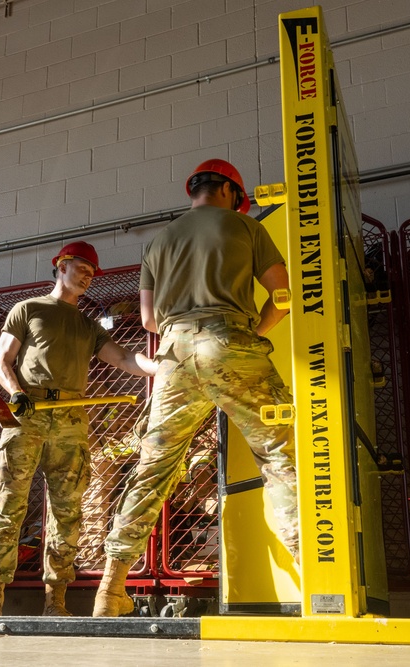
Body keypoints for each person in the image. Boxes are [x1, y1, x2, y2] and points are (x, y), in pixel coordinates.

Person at [92, 159, 299, 617]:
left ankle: (111, 588)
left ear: (194, 190)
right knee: (281, 456)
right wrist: (261, 330)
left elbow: (147, 320)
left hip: (173, 356)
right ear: (228, 190)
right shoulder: (245, 227)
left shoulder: (158, 242)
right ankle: (313, 570)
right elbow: (283, 295)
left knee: (154, 466)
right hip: (230, 342)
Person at [0, 241, 158, 630]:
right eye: (83, 267)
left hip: (71, 416)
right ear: (61, 266)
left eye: (93, 271)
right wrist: (16, 393)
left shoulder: (87, 324)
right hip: (28, 412)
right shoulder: (29, 309)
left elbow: (124, 358)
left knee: (68, 512)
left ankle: (55, 600)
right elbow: (2, 361)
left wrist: (158, 367)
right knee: (8, 505)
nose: (89, 275)